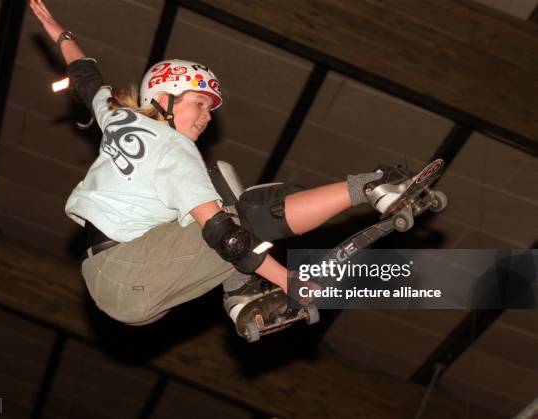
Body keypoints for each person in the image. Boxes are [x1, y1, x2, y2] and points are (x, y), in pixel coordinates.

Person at [30, 0, 411, 326]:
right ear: (165, 98)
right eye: (199, 104)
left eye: (209, 111)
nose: (206, 117)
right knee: (248, 212)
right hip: (133, 274)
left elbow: (85, 79)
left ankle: (240, 293)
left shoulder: (120, 117)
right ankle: (371, 186)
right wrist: (286, 280)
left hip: (115, 278)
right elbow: (222, 234)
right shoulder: (174, 152)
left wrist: (58, 32)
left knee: (222, 186)